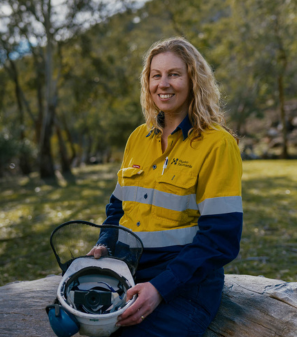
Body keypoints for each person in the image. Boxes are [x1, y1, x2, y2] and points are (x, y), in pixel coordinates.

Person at [87, 37, 243, 337]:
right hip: (127, 273)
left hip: (185, 285)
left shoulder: (217, 144)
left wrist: (160, 288)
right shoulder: (137, 138)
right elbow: (117, 208)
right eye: (156, 75)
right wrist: (105, 243)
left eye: (174, 74)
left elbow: (221, 237)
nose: (163, 84)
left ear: (193, 79)